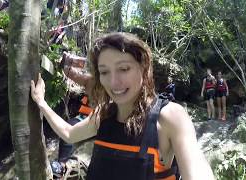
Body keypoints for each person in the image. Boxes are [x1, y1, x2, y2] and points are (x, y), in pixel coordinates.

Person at [31, 32, 214, 180]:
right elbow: (69, 134)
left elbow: (197, 171)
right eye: (104, 72)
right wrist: (41, 102)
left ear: (143, 67)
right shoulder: (104, 114)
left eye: (124, 69)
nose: (113, 82)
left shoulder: (170, 116)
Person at [51, 52, 94, 178]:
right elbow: (69, 72)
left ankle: (62, 165)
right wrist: (67, 60)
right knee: (69, 128)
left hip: (105, 120)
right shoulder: (90, 80)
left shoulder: (117, 82)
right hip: (86, 118)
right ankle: (62, 165)